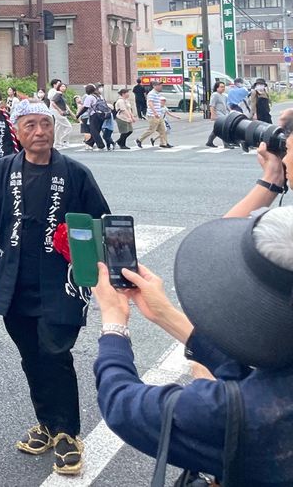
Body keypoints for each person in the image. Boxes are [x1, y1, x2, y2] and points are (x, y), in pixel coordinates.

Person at [0, 101, 111, 477]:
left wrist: (109, 269)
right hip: (13, 279)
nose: (40, 131)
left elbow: (100, 222)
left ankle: (67, 434)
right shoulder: (0, 171)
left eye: (46, 124)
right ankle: (47, 422)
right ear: (18, 130)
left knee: (55, 352)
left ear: (55, 128)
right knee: (31, 353)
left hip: (61, 281)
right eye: (31, 125)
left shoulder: (75, 174)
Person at [91, 206, 293, 484]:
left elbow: (121, 403)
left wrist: (113, 322)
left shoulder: (225, 411)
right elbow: (265, 382)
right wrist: (167, 315)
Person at [137, 83, 172, 149]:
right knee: (151, 130)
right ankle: (139, 139)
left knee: (163, 130)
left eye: (161, 85)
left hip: (159, 115)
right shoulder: (151, 93)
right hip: (153, 115)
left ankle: (163, 143)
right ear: (154, 86)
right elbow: (150, 103)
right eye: (159, 85)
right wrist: (155, 112)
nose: (161, 87)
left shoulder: (157, 94)